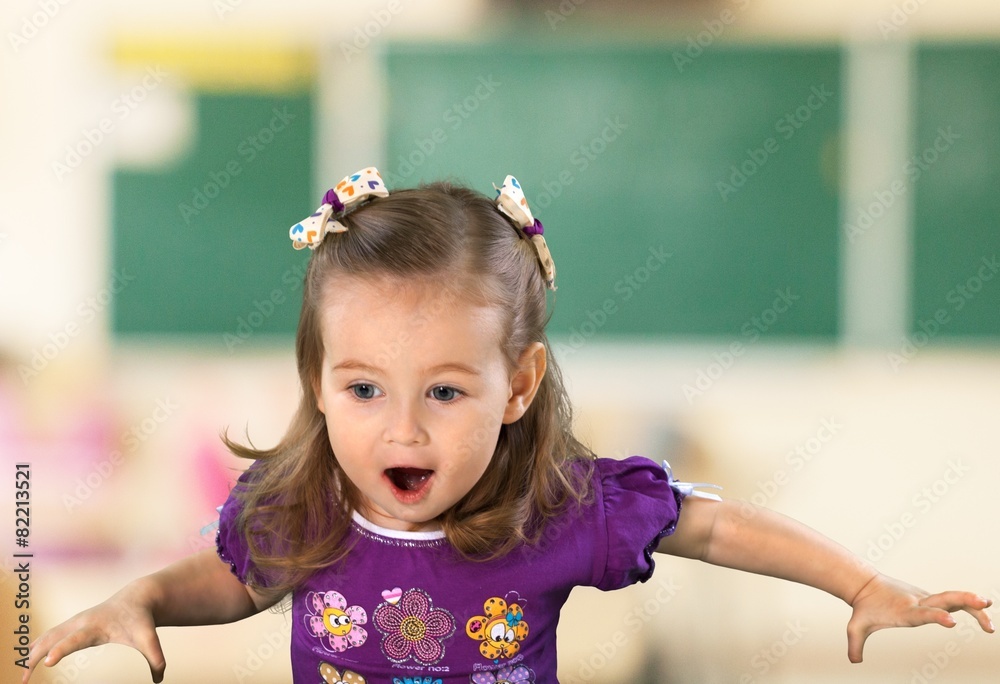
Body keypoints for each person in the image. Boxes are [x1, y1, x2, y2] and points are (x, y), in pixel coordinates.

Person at [24, 168, 993, 684]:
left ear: (518, 385)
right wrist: (144, 598)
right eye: (364, 390)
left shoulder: (560, 512)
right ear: (318, 382)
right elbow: (233, 580)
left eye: (444, 393)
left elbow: (713, 523)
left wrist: (863, 583)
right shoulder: (302, 511)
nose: (403, 430)